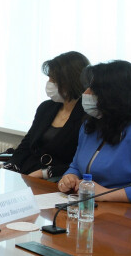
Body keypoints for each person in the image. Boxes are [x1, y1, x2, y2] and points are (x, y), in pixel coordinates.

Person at [57, 61, 131, 213]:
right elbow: (76, 166)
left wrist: (105, 194)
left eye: (93, 88)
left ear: (114, 94)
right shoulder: (89, 126)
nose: (85, 93)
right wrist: (69, 177)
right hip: (99, 210)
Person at [7, 51, 90, 179]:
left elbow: (82, 162)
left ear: (71, 81)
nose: (49, 83)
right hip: (28, 171)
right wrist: (11, 164)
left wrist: (45, 173)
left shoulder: (88, 116)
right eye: (49, 78)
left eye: (54, 80)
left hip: (58, 178)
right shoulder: (46, 107)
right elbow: (27, 144)